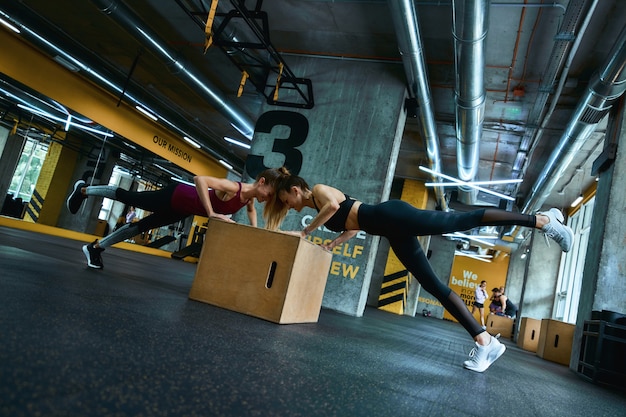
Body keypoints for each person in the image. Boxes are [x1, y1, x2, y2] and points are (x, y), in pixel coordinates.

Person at [267, 168, 574, 373]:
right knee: (430, 284)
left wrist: (305, 233)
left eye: (287, 200)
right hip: (390, 229)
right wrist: (331, 245)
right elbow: (352, 224)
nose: (290, 206)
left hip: (393, 215)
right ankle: (484, 341)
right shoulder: (317, 206)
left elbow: (335, 209)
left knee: (456, 221)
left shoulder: (320, 192)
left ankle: (542, 221)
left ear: (296, 190)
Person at [66, 168, 283, 269]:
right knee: (129, 197)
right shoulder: (234, 188)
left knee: (142, 227)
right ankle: (84, 190)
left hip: (182, 209)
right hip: (175, 195)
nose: (268, 199)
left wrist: (256, 230)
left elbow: (252, 211)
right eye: (270, 194)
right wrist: (211, 213)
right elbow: (200, 179)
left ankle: (96, 248)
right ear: (261, 182)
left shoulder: (249, 198)